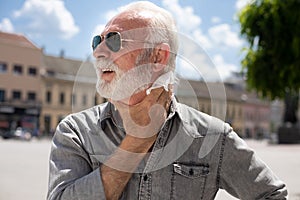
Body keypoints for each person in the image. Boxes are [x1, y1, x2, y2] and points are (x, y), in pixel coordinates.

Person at [47, 1, 287, 200]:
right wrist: (136, 142)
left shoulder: (213, 136)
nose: (98, 52)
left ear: (158, 56)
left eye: (114, 40)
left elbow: (272, 195)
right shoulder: (75, 131)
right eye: (97, 41)